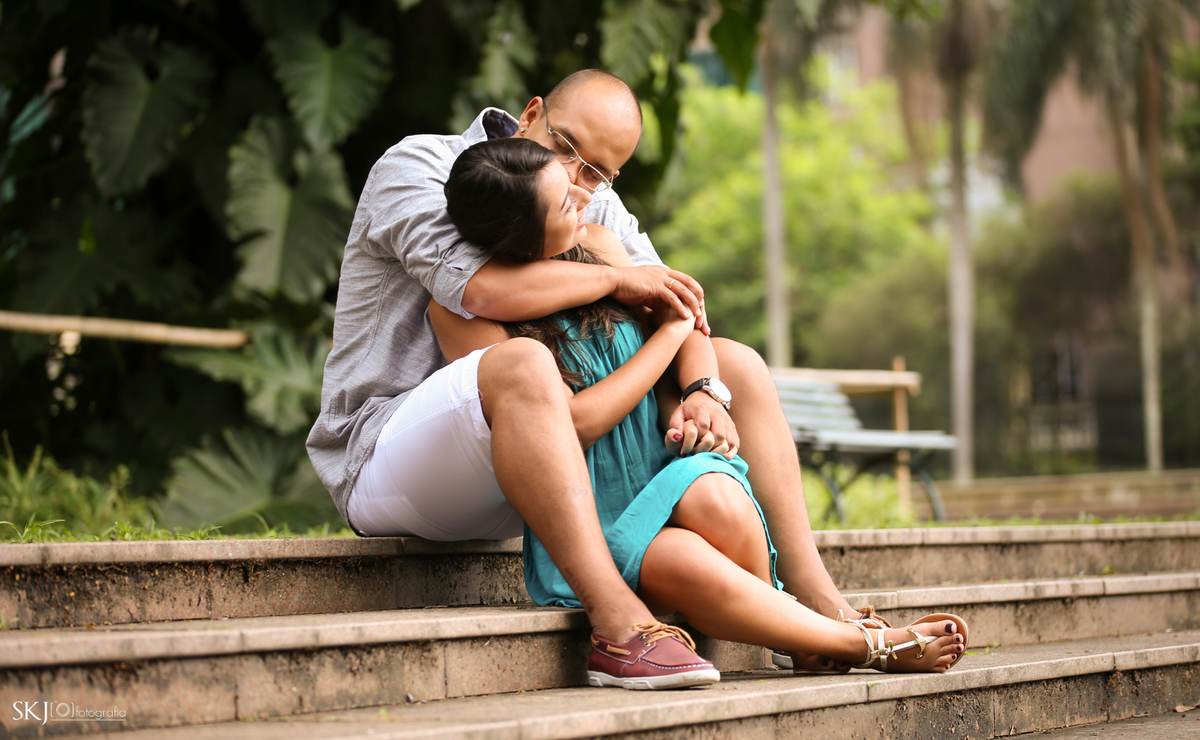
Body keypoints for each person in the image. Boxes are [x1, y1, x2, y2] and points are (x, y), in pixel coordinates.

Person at [306, 68, 883, 688]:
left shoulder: (587, 198)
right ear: (530, 116)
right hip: (394, 454)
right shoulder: (421, 166)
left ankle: (818, 600)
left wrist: (702, 394)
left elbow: (679, 307)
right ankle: (620, 627)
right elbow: (479, 288)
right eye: (567, 152)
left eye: (598, 173)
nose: (580, 186)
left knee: (736, 361)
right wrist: (615, 278)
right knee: (526, 367)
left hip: (539, 464)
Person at [431, 137, 968, 687]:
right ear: (521, 237)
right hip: (589, 508)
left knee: (718, 502)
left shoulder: (599, 244)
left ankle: (799, 624)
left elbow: (692, 320)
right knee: (685, 560)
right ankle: (854, 643)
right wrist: (666, 334)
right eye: (564, 203)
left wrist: (701, 392)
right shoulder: (462, 311)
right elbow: (575, 424)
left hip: (663, 463)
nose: (582, 196)